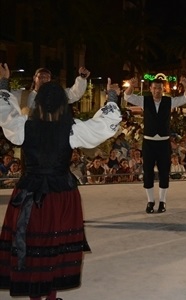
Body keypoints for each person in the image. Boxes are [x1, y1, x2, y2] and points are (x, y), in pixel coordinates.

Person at [0, 63, 122, 300]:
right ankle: (51, 296)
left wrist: (4, 82)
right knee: (54, 244)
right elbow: (103, 126)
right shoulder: (71, 129)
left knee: (34, 244)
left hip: (30, 192)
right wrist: (112, 95)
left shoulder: (24, 126)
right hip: (61, 195)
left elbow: (5, 113)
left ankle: (36, 295)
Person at [124, 76, 186, 214]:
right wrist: (131, 85)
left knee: (164, 173)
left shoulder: (169, 101)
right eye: (154, 88)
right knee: (148, 173)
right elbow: (127, 97)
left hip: (163, 143)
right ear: (151, 89)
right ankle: (150, 201)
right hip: (148, 142)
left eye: (159, 89)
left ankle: (162, 201)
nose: (157, 91)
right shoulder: (145, 100)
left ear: (163, 90)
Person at [24, 67, 90, 113]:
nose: (44, 80)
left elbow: (73, 94)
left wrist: (81, 79)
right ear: (34, 78)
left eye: (47, 78)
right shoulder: (24, 96)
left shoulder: (55, 94)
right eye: (41, 77)